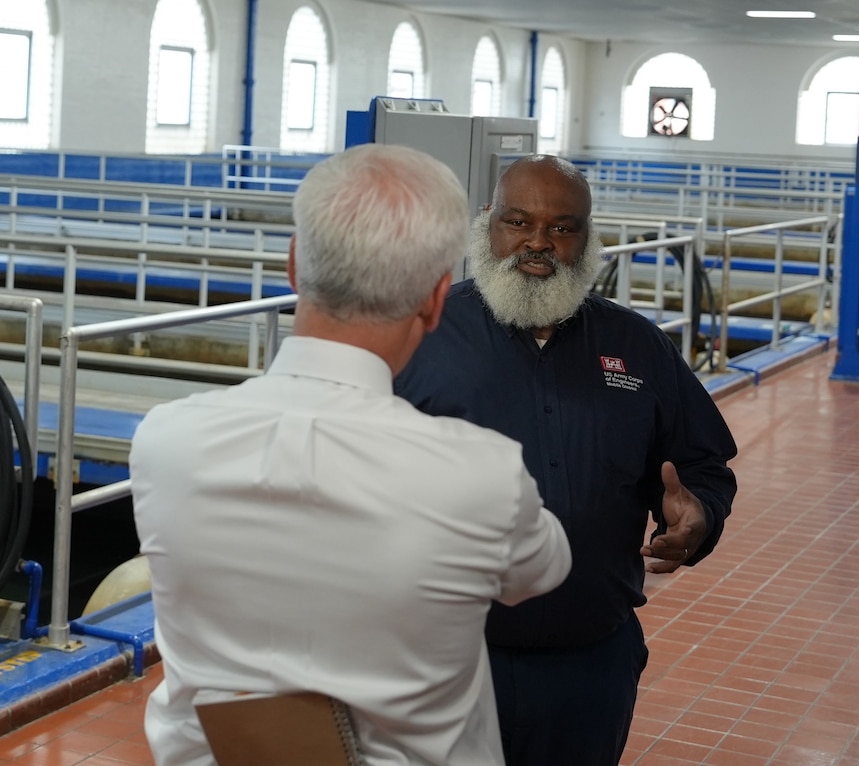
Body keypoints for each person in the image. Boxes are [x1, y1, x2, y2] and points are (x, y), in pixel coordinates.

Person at [130, 144, 572, 766]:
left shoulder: (165, 440)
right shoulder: (481, 474)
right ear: (436, 298)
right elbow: (540, 572)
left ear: (293, 266)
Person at [395, 154, 739, 766]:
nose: (537, 242)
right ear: (486, 224)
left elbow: (703, 467)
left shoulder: (636, 346)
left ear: (587, 238)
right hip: (442, 663)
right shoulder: (420, 336)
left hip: (590, 664)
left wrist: (700, 517)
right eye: (518, 222)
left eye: (562, 227)